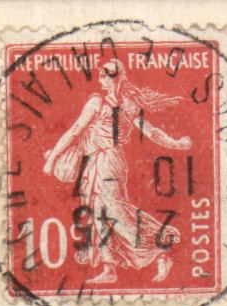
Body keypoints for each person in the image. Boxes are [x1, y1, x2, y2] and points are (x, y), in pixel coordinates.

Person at [42, 58, 192, 284]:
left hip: (109, 160)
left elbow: (149, 131)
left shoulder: (115, 104)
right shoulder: (104, 102)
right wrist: (176, 143)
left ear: (117, 78)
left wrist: (176, 144)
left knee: (113, 211)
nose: (102, 78)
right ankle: (109, 268)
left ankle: (161, 250)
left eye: (107, 74)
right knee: (97, 213)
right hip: (93, 162)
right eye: (102, 73)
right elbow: (75, 131)